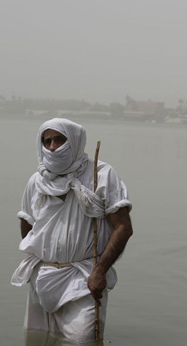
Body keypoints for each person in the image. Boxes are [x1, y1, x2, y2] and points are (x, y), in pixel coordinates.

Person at [11, 118, 133, 343]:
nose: (52, 147)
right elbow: (27, 224)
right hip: (42, 278)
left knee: (82, 339)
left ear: (75, 141)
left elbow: (123, 228)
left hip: (84, 278)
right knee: (39, 339)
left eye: (59, 139)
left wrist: (100, 271)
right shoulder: (36, 181)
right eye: (46, 141)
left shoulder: (100, 175)